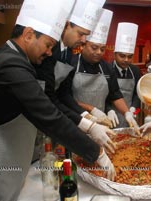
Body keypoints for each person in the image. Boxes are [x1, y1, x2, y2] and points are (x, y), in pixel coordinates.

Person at [0, 1, 115, 201]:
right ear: (28, 35)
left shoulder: (17, 59)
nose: (49, 53)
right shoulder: (10, 64)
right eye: (48, 45)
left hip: (14, 155)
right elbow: (48, 115)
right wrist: (95, 151)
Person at [34, 0, 116, 151]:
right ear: (66, 26)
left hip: (55, 113)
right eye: (81, 34)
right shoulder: (49, 50)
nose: (83, 40)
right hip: (40, 115)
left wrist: (85, 114)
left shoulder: (69, 51)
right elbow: (49, 95)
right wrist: (85, 123)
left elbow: (63, 92)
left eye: (86, 36)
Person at [58, 21, 140, 133]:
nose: (99, 52)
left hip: (101, 123)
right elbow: (64, 96)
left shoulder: (106, 68)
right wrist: (91, 110)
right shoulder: (70, 63)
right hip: (75, 120)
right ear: (83, 45)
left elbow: (115, 94)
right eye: (94, 47)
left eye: (102, 49)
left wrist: (127, 113)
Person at [106, 22, 141, 128]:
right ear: (115, 54)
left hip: (130, 116)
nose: (126, 60)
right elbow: (103, 96)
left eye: (130, 57)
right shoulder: (107, 69)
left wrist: (133, 108)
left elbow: (137, 94)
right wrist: (109, 110)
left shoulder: (135, 71)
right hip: (111, 117)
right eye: (122, 56)